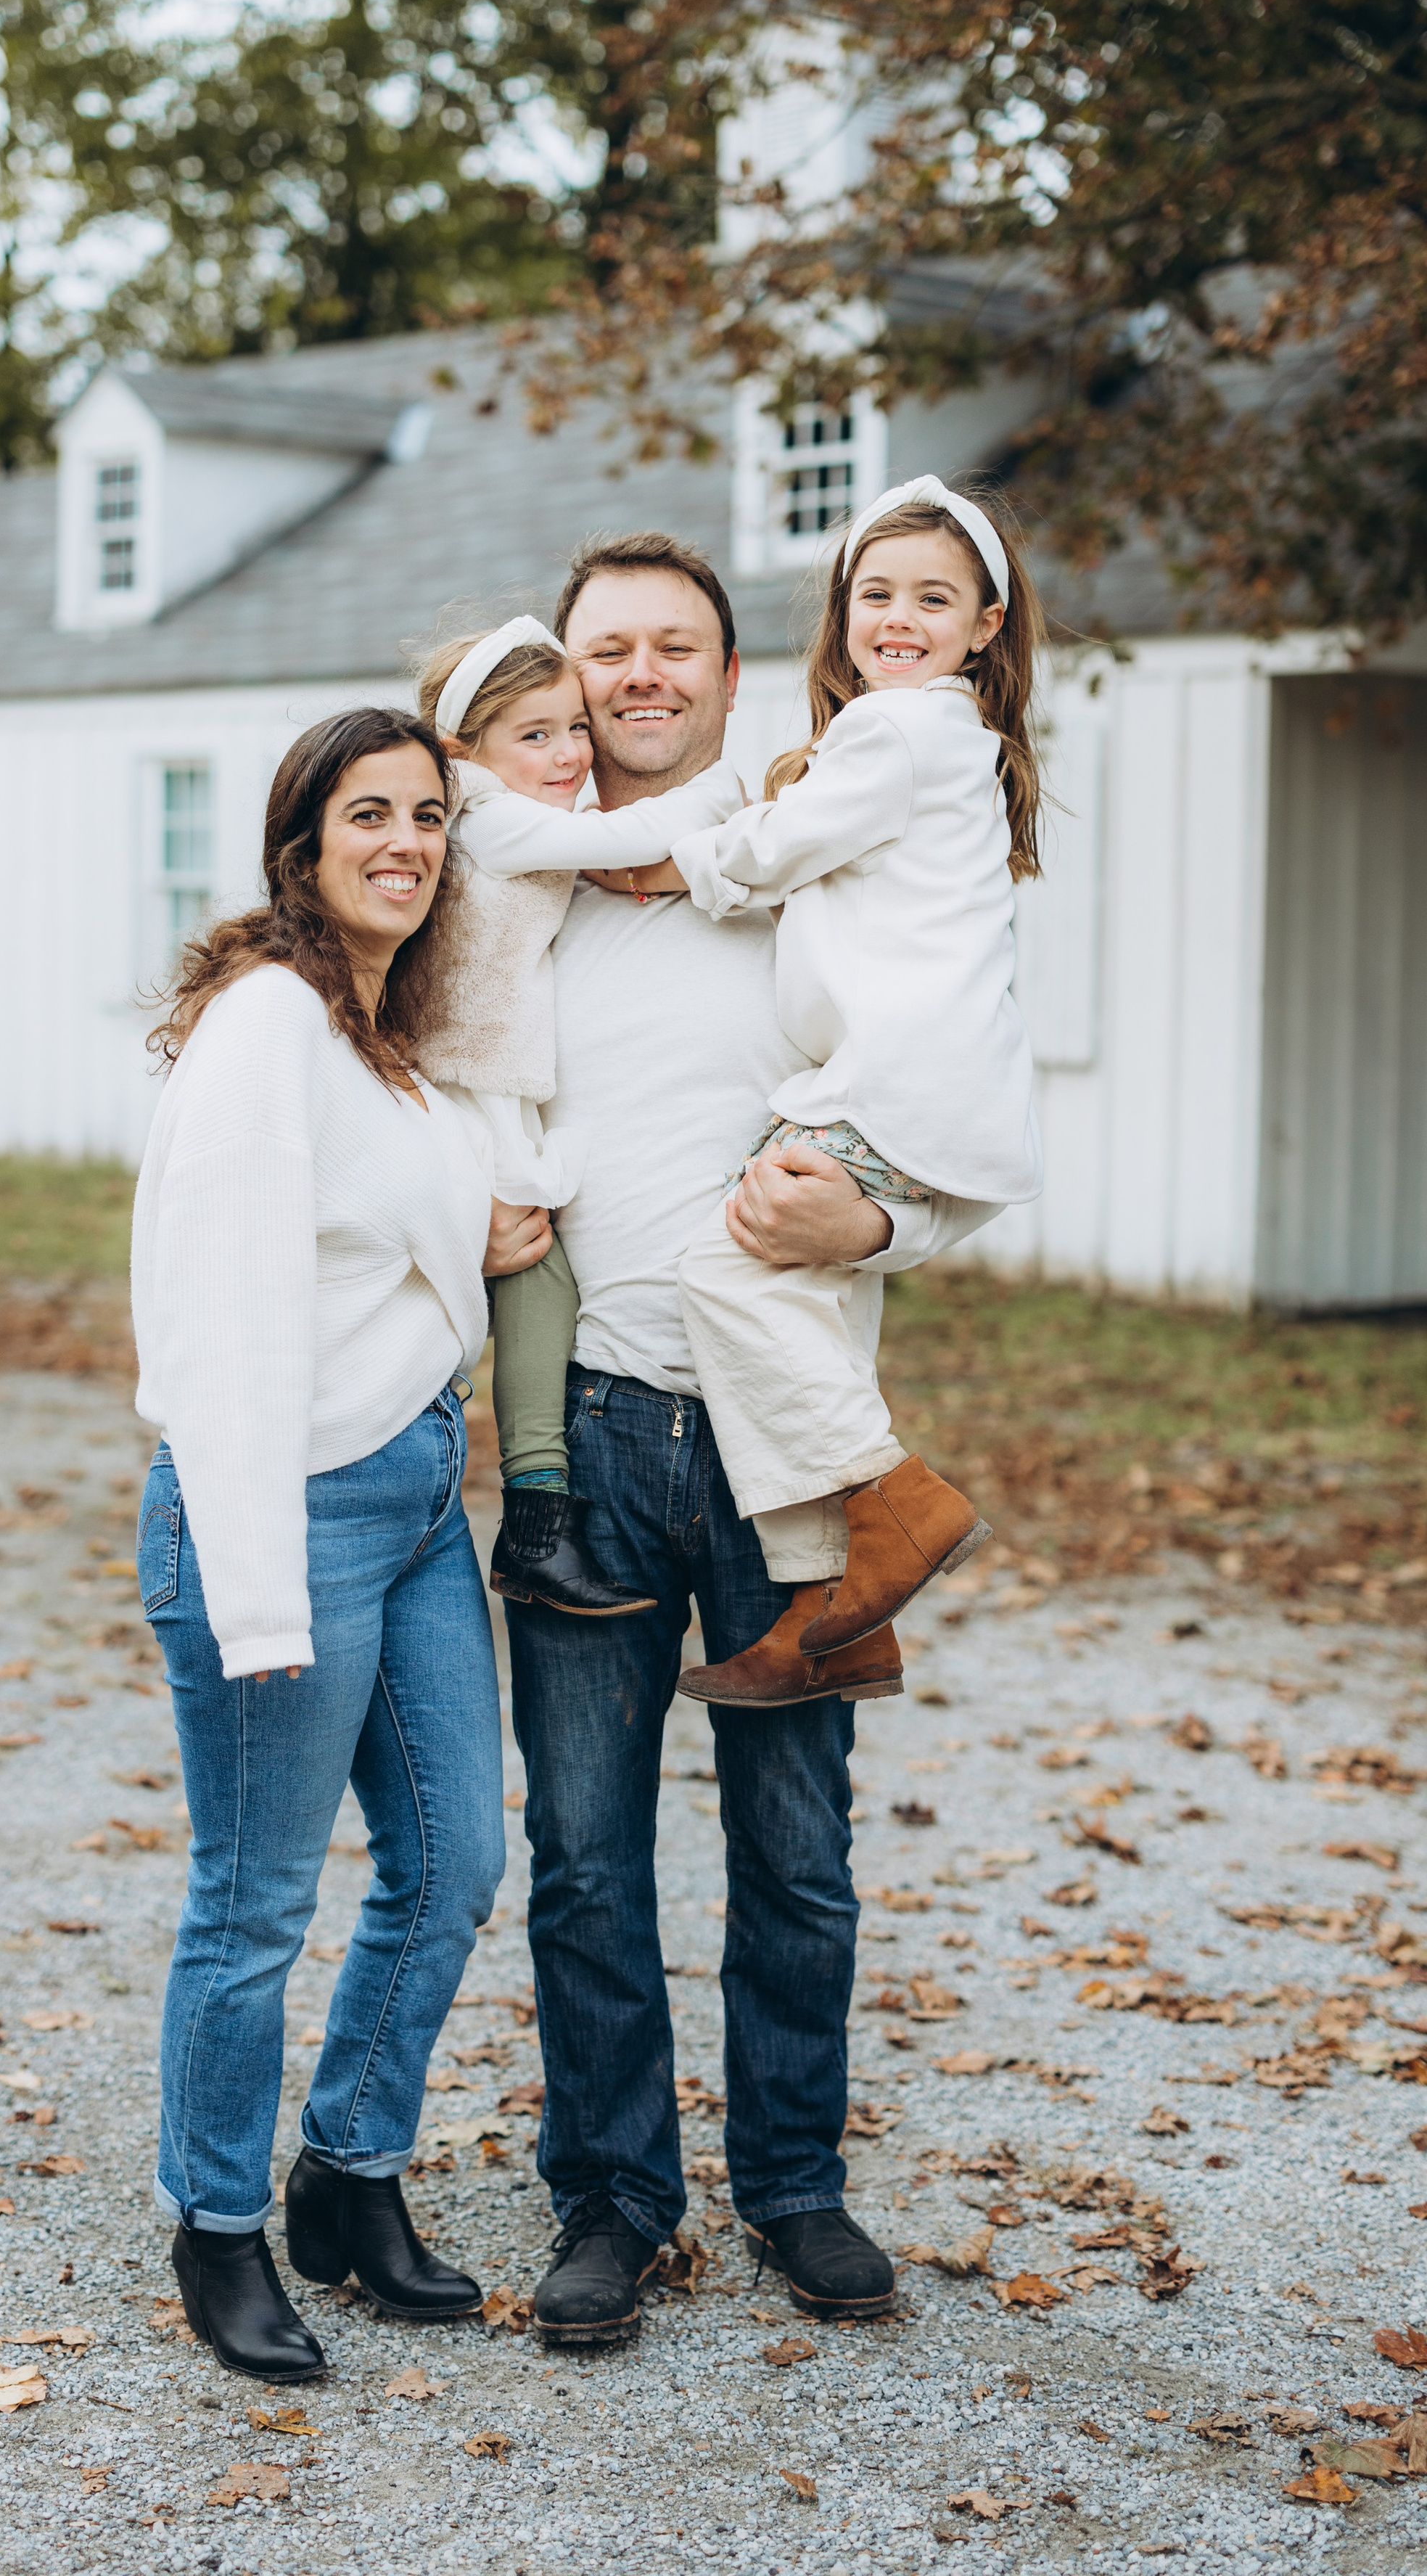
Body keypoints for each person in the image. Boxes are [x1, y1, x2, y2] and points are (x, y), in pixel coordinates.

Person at [502, 530, 1003, 2346]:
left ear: (730, 668)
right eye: (605, 651)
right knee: (579, 1850)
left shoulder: (824, 846)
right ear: (566, 679)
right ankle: (612, 2197)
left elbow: (940, 1124)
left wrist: (873, 1231)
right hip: (593, 1435)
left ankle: (792, 2183)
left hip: (789, 1460)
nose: (638, 676)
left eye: (673, 646)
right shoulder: (523, 890)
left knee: (795, 1848)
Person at [129, 706, 545, 2382]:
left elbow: (406, 1231)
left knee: (451, 1864)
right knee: (252, 1907)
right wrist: (255, 1594)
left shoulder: (392, 1037)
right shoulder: (265, 1025)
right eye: (367, 815)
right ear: (298, 847)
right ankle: (215, 2230)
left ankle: (346, 2180)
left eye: (430, 817)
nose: (406, 843)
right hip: (279, 1505)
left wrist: (487, 1218)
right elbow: (219, 1319)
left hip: (417, 1498)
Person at [670, 477, 1045, 1708]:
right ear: (842, 611)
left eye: (933, 598)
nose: (897, 616)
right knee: (800, 1309)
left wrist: (687, 854)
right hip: (943, 1100)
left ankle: (895, 1501)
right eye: (873, 593)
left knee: (727, 1269)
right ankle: (837, 1617)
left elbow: (770, 851)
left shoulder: (896, 731)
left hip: (882, 1088)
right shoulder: (958, 747)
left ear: (984, 626)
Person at [409, 613, 743, 1617]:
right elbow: (626, 839)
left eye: (571, 729)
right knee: (516, 1275)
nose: (567, 754)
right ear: (465, 752)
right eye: (536, 735)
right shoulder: (482, 811)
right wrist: (730, 791)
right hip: (470, 1080)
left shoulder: (496, 805)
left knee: (529, 1275)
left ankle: (528, 1510)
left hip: (494, 1075)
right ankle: (530, 1516)